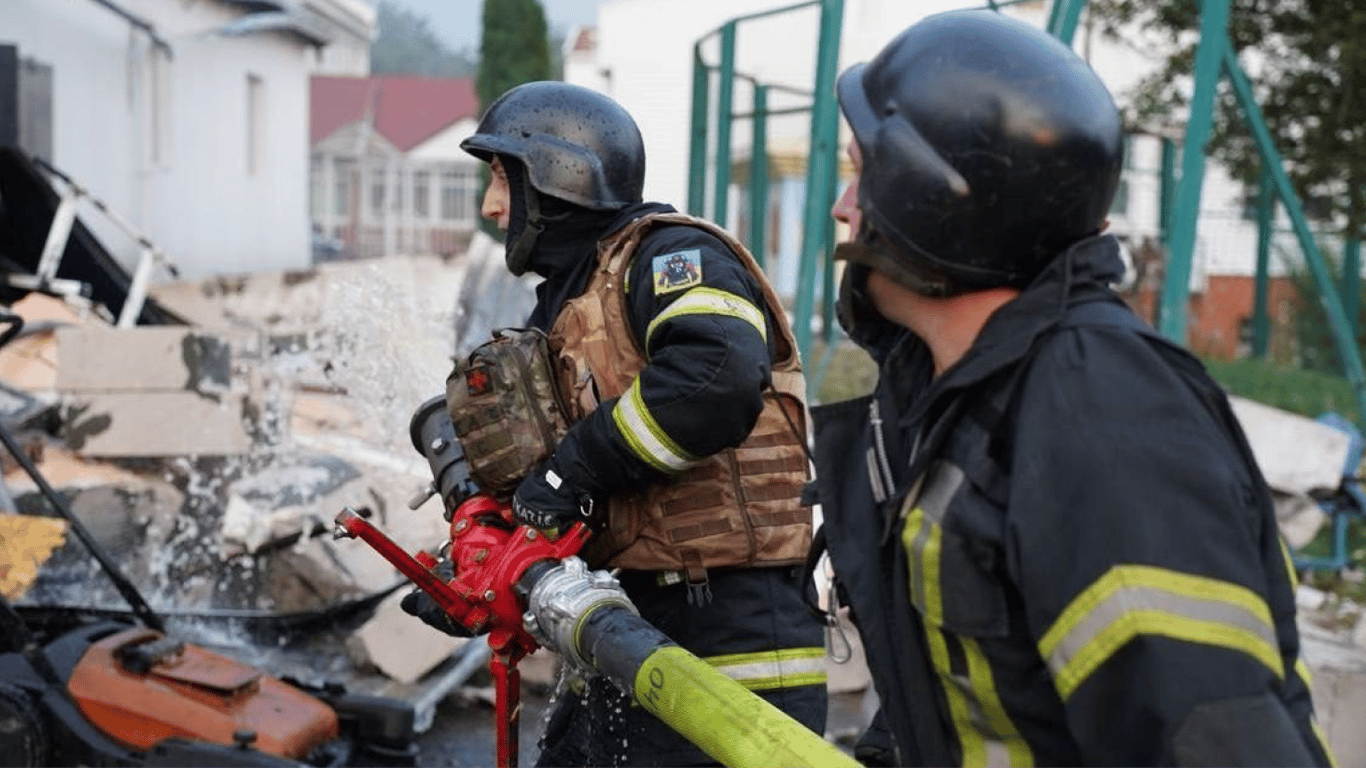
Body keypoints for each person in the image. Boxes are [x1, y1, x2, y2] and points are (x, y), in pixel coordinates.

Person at [808, 9, 1337, 767]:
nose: (842, 207)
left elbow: (1209, 741)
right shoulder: (961, 393)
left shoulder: (1104, 416)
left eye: (863, 173)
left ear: (935, 203)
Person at [411, 80, 828, 768]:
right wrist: (476, 573)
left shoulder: (669, 260)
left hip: (732, 649)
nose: (491, 208)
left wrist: (568, 470)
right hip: (626, 630)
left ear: (558, 176)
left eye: (501, 181)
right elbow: (556, 501)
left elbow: (715, 377)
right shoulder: (574, 304)